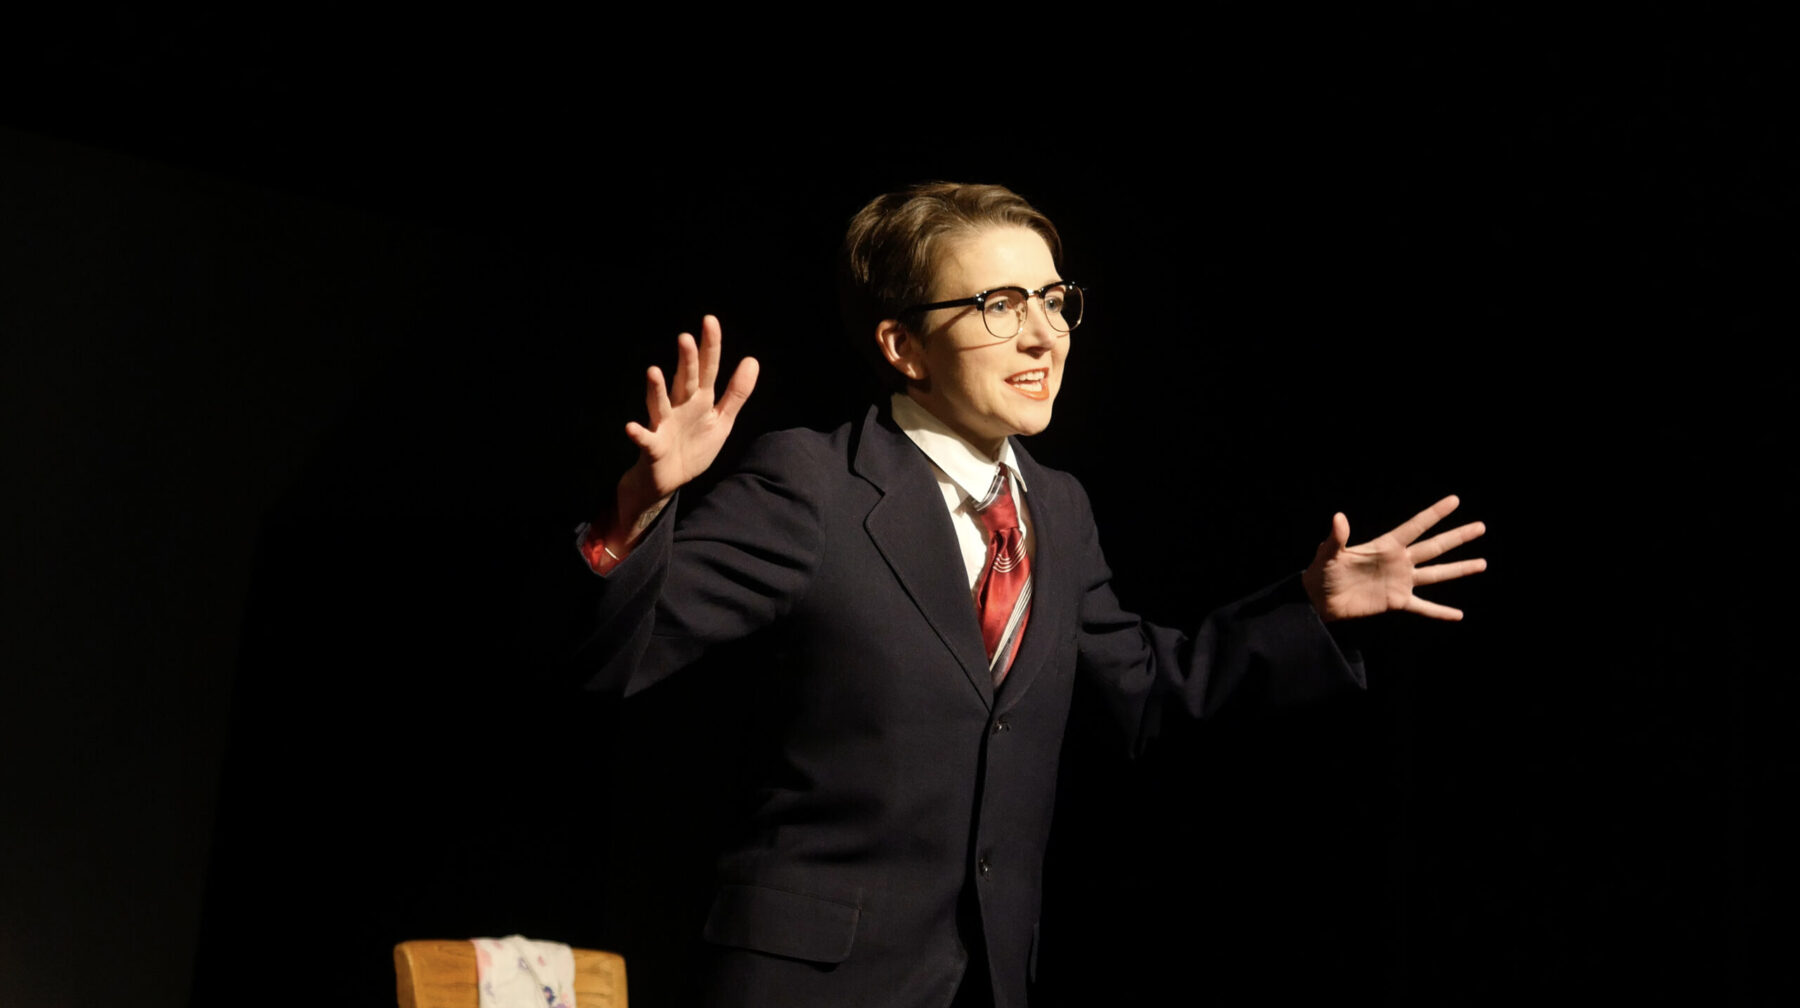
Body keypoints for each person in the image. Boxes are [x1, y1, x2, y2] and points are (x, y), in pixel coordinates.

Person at [570, 182, 1485, 1008]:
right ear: (904, 345)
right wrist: (637, 517)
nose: (1046, 336)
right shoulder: (814, 484)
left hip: (988, 976)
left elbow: (1143, 690)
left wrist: (1311, 610)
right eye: (1000, 306)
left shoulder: (1057, 505)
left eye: (1053, 301)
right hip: (811, 979)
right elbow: (612, 658)